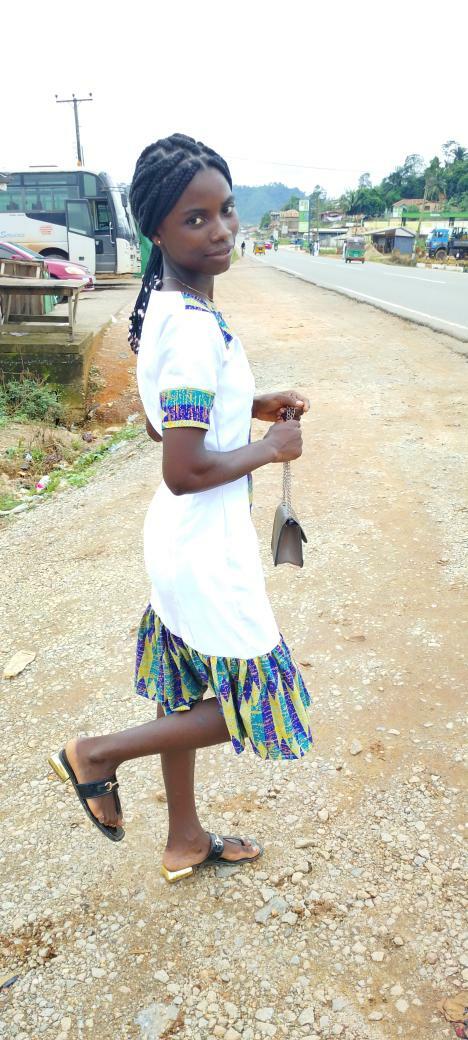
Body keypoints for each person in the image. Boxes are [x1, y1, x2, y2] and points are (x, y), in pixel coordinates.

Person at [48, 133, 313, 883]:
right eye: (195, 219)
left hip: (180, 542)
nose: (221, 229)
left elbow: (160, 421)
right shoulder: (193, 328)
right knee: (260, 697)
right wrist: (272, 447)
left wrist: (250, 403)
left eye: (225, 210)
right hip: (203, 545)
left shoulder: (167, 310)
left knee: (187, 691)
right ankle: (96, 754)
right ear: (157, 232)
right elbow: (184, 467)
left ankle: (185, 839)